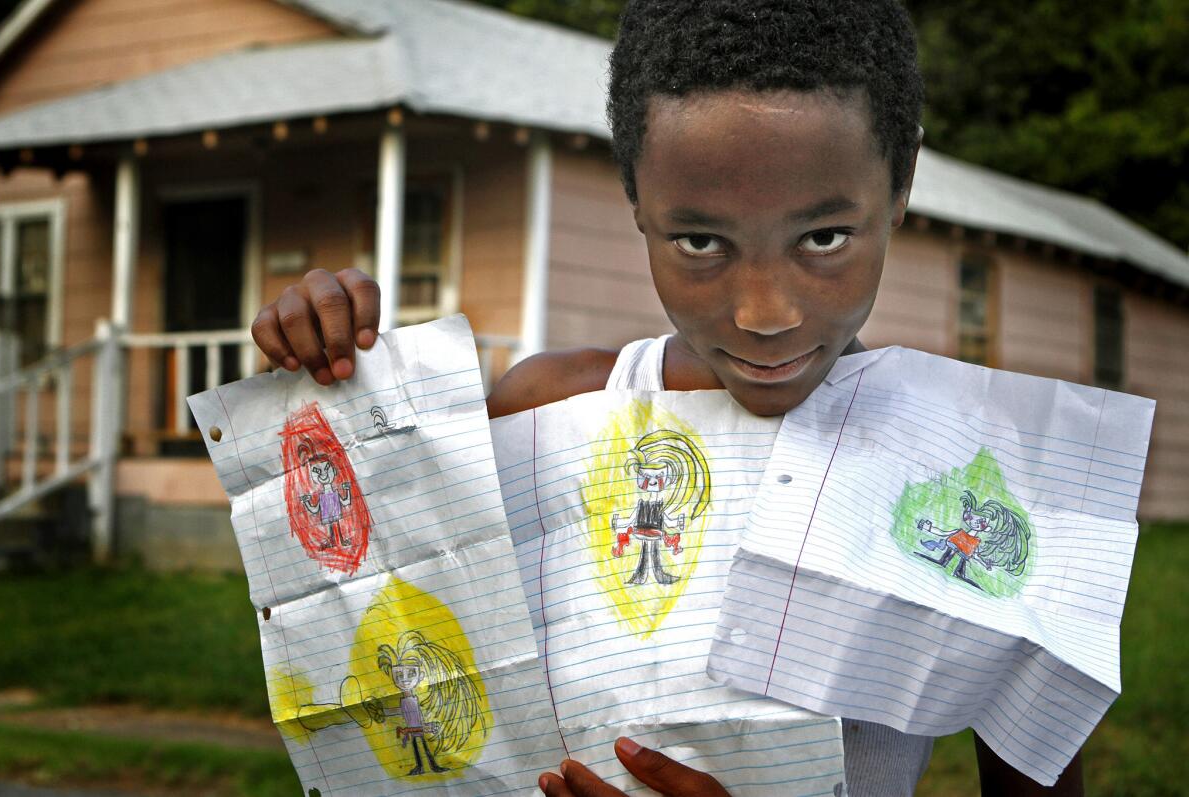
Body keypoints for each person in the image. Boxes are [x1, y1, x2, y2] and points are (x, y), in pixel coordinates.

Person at [250, 0, 1086, 793]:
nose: (766, 313)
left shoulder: (990, 484)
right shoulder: (544, 413)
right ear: (636, 201)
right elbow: (387, 671)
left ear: (901, 184)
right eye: (699, 240)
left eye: (823, 237)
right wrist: (335, 376)